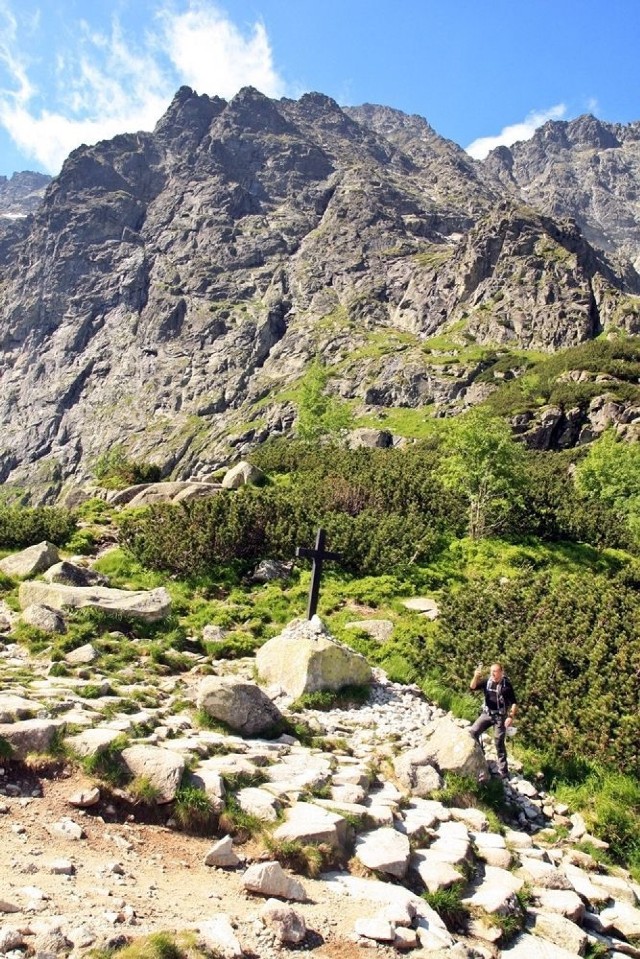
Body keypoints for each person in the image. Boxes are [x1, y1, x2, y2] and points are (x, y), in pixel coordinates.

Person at [469, 662, 517, 780]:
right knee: (473, 733)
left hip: (500, 717)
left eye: (495, 671)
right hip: (487, 714)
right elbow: (472, 687)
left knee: (498, 742)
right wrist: (475, 676)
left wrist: (510, 716)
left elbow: (514, 702)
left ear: (501, 672)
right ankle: (480, 757)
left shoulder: (507, 686)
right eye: (491, 671)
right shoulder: (487, 682)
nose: (492, 674)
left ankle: (503, 771)